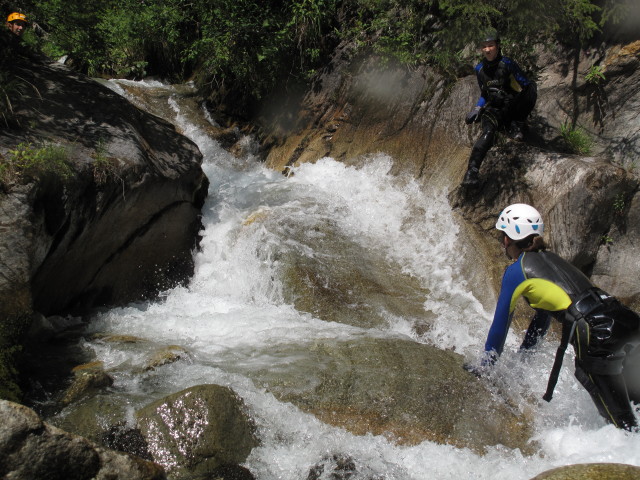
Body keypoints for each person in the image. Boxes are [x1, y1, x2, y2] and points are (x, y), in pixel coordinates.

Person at [465, 203, 640, 430]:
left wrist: (485, 367)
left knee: (622, 424)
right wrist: (522, 362)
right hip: (627, 320)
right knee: (636, 403)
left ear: (508, 239)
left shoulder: (517, 271)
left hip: (597, 334)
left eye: (502, 236)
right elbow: (542, 320)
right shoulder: (553, 260)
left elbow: (500, 326)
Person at [461, 31, 537, 186]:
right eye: (484, 47)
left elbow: (525, 85)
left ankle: (517, 124)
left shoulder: (507, 64)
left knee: (532, 88)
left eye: (491, 46)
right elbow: (484, 93)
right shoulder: (480, 69)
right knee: (488, 132)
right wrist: (477, 108)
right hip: (494, 109)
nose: (488, 50)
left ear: (497, 46)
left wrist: (520, 109)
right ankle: (471, 173)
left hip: (511, 107)